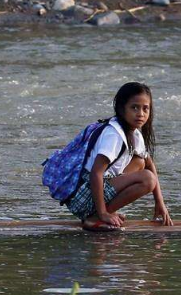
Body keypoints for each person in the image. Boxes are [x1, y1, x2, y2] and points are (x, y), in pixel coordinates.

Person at [66, 82, 173, 232]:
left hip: (93, 190)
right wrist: (103, 213)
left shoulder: (134, 132)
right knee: (148, 179)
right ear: (122, 109)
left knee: (140, 162)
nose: (141, 114)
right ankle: (96, 216)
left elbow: (149, 164)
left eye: (145, 108)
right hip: (84, 197)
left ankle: (102, 212)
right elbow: (96, 172)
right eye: (134, 107)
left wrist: (160, 203)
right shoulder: (114, 134)